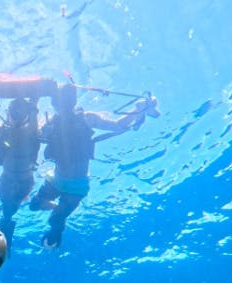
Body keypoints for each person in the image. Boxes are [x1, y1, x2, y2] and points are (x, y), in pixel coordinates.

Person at [30, 83, 159, 248]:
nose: (64, 104)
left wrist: (138, 110)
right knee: (34, 206)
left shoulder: (86, 118)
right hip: (55, 179)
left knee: (55, 220)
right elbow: (33, 137)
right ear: (54, 104)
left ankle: (59, 220)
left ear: (73, 101)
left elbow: (118, 125)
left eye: (67, 100)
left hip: (76, 185)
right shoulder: (50, 124)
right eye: (61, 101)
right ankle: (59, 209)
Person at [0, 97, 41, 249]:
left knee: (10, 205)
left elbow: (33, 116)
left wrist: (35, 101)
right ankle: (5, 228)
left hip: (21, 180)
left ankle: (5, 229)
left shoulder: (30, 131)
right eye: (13, 112)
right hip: (13, 179)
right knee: (9, 206)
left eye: (19, 112)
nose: (16, 115)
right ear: (9, 113)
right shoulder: (5, 131)